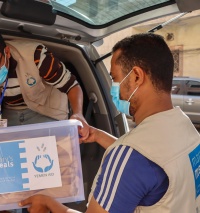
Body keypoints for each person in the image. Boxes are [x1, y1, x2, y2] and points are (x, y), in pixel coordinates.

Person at [19, 33, 200, 212]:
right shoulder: (186, 130)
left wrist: (51, 205)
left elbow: (134, 161)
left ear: (137, 76)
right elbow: (148, 162)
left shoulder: (131, 155)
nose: (113, 87)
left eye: (114, 78)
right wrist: (97, 135)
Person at [0, 24, 89, 138]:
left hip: (46, 110)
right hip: (10, 113)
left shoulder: (36, 56)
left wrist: (78, 114)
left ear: (6, 52)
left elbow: (72, 86)